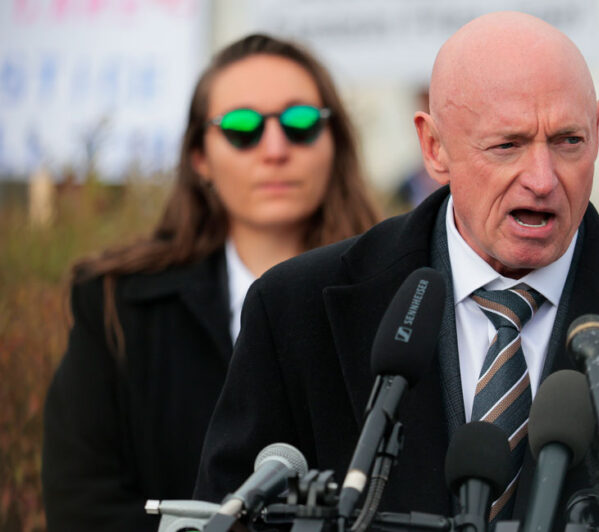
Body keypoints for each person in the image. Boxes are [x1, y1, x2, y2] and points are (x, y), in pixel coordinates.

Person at [195, 11, 599, 528]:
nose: (543, 179)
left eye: (568, 141)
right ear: (434, 146)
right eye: (507, 145)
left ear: (598, 130)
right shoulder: (297, 311)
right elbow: (230, 512)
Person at [42, 34, 379, 531]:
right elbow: (81, 505)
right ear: (200, 156)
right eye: (242, 128)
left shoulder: (402, 296)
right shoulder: (116, 302)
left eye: (301, 123)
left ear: (335, 143)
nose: (275, 149)